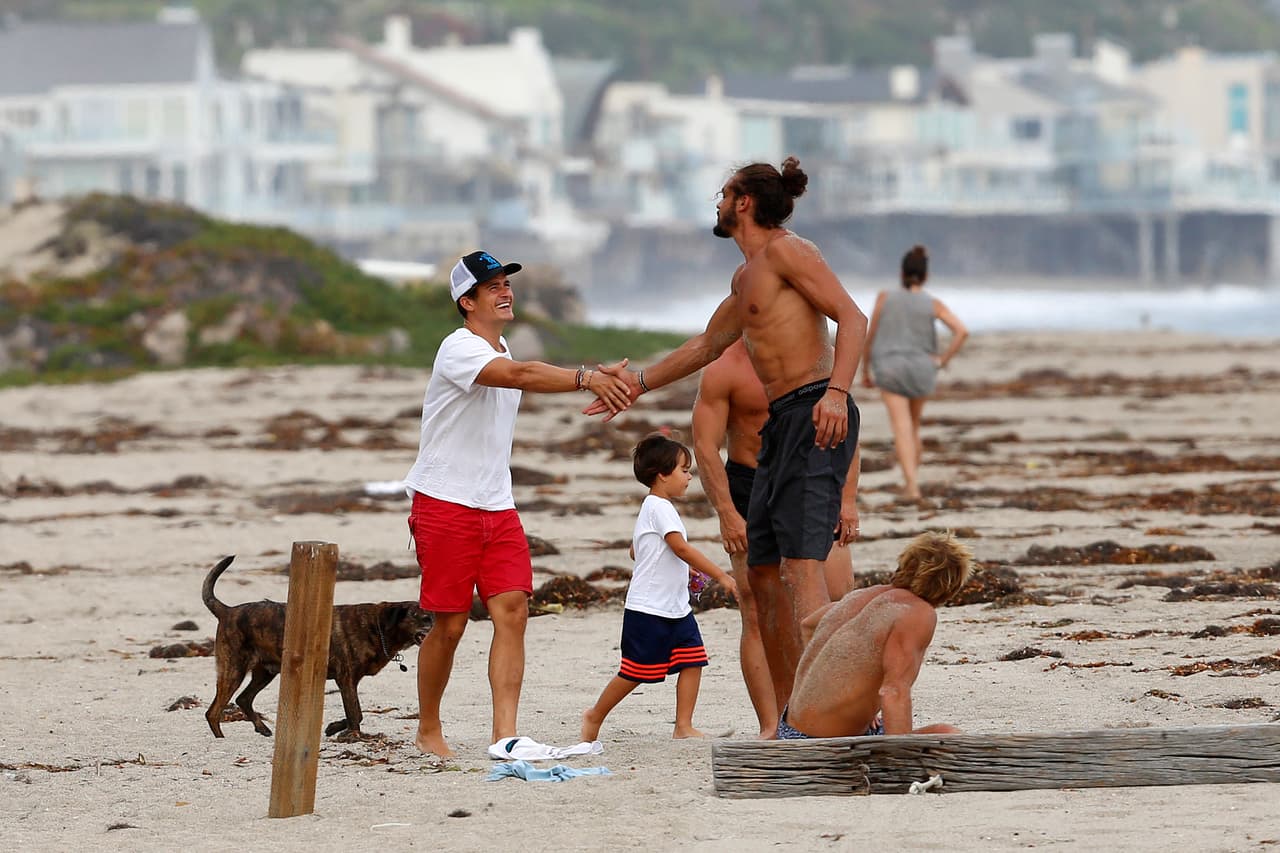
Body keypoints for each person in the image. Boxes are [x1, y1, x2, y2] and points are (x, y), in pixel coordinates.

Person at [586, 157, 867, 709]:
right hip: (780, 424)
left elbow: (853, 318)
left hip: (813, 408)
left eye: (722, 193)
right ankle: (788, 717)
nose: (715, 202)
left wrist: (837, 392)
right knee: (762, 577)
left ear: (744, 202)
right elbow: (707, 345)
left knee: (802, 570)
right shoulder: (746, 276)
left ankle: (832, 714)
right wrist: (638, 384)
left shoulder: (789, 251)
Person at [404, 249, 632, 758]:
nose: (505, 292)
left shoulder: (503, 346)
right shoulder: (458, 348)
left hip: (497, 504)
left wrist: (605, 380)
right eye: (493, 287)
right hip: (444, 501)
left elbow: (521, 369)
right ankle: (428, 728)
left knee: (513, 611)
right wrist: (586, 378)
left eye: (507, 284)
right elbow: (519, 375)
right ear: (467, 302)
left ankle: (503, 735)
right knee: (451, 623)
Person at [691, 338, 859, 738]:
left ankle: (838, 710)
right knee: (756, 607)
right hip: (750, 485)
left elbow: (843, 426)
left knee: (838, 597)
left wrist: (848, 499)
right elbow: (705, 446)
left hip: (810, 478)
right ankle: (772, 724)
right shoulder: (724, 368)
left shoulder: (814, 356)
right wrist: (727, 514)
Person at [580, 433, 738, 742]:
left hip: (675, 607)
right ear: (662, 475)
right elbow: (680, 547)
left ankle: (684, 726)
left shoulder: (652, 506)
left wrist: (677, 566)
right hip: (649, 609)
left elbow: (635, 550)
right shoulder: (660, 508)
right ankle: (594, 715)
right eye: (684, 470)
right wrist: (721, 576)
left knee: (693, 659)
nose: (689, 477)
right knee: (635, 672)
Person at [777, 531, 973, 739]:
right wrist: (900, 757)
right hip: (823, 745)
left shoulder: (863, 596)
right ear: (950, 585)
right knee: (949, 736)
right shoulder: (917, 613)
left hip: (789, 732)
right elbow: (894, 692)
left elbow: (808, 625)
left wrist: (856, 702)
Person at [860, 245, 968, 501]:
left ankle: (911, 487)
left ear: (902, 272)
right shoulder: (933, 303)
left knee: (902, 428)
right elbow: (962, 331)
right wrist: (941, 361)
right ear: (926, 276)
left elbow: (870, 335)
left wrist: (865, 370)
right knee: (913, 426)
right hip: (923, 370)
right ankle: (912, 479)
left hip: (890, 368)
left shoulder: (884, 297)